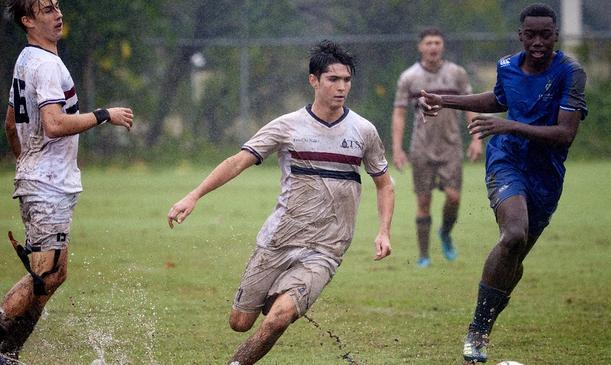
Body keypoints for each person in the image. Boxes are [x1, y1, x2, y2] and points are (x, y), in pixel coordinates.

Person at [167, 40, 394, 365]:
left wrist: (384, 231)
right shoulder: (287, 126)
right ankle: (283, 294)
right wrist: (194, 195)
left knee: (278, 317)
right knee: (240, 323)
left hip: (326, 248)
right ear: (313, 80)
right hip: (278, 240)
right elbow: (237, 161)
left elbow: (384, 185)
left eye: (346, 80)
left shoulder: (363, 131)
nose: (341, 87)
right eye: (333, 79)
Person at [419, 3, 587, 363]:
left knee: (516, 255)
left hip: (546, 174)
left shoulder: (570, 72)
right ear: (520, 35)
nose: (538, 42)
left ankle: (485, 323)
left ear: (555, 35)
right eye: (531, 35)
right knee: (513, 234)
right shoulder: (507, 67)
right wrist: (443, 100)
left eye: (546, 34)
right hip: (507, 160)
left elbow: (565, 133)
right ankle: (476, 332)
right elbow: (498, 99)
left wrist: (508, 123)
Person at [1, 0, 133, 361]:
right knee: (47, 276)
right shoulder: (45, 65)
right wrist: (104, 114)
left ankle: (8, 353)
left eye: (57, 6)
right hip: (48, 187)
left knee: (50, 278)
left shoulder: (26, 59)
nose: (57, 13)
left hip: (41, 181)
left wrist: (27, 163)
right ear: (28, 21)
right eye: (46, 9)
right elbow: (54, 124)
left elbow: (11, 124)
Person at [391, 27, 482, 267]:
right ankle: (423, 255)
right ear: (420, 46)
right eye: (428, 43)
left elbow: (471, 105)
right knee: (423, 202)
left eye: (437, 43)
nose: (433, 47)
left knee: (453, 197)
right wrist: (398, 148)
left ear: (442, 46)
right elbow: (399, 114)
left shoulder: (457, 74)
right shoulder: (409, 77)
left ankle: (445, 233)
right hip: (421, 149)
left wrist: (476, 138)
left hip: (451, 147)